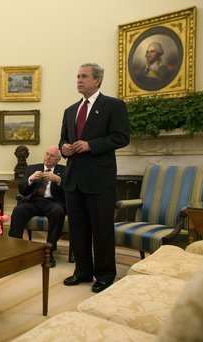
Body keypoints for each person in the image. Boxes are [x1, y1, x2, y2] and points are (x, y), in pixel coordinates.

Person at [59, 63, 129, 293]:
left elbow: (121, 137)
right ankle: (82, 271)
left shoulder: (114, 106)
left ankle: (105, 274)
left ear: (97, 80)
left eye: (84, 76)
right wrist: (64, 148)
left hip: (100, 179)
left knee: (102, 229)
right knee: (78, 229)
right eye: (78, 76)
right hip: (74, 180)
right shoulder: (70, 110)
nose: (79, 80)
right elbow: (62, 140)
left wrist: (91, 145)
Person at [9, 145, 66, 268]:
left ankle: (49, 251)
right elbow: (23, 190)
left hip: (53, 202)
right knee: (18, 210)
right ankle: (14, 250)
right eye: (47, 154)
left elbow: (70, 192)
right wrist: (30, 179)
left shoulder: (64, 170)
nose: (48, 157)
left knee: (58, 212)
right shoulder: (32, 168)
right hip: (33, 201)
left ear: (58, 160)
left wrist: (59, 180)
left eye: (52, 156)